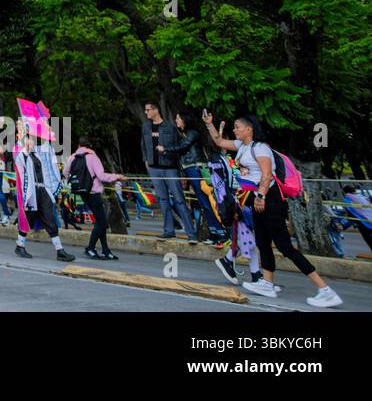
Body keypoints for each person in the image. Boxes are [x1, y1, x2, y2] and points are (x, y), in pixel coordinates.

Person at [202, 111, 342, 308]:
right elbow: (219, 142)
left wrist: (261, 196)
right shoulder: (243, 146)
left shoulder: (260, 148)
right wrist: (209, 124)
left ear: (249, 129)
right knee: (263, 241)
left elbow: (267, 175)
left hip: (269, 199)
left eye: (237, 127)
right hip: (257, 200)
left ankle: (325, 290)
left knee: (285, 246)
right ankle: (267, 283)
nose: (234, 130)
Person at [12, 128, 76, 262]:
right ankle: (20, 245)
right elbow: (19, 161)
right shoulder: (20, 152)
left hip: (43, 191)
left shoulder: (38, 153)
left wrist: (47, 129)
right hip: (31, 192)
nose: (32, 141)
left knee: (50, 218)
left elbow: (48, 149)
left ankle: (60, 250)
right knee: (28, 219)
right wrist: (24, 147)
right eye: (29, 139)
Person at [141, 101, 197, 242]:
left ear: (156, 110)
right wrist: (146, 161)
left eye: (148, 110)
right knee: (163, 200)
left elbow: (178, 149)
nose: (146, 113)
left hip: (170, 168)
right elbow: (143, 144)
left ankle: (191, 233)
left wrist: (181, 173)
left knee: (179, 200)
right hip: (154, 168)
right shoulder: (146, 126)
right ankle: (169, 231)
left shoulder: (170, 127)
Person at [172, 111, 228, 244]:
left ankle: (222, 233)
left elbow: (182, 147)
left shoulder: (192, 133)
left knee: (208, 202)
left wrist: (165, 148)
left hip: (196, 169)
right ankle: (214, 233)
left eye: (178, 118)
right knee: (204, 203)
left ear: (185, 120)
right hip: (190, 169)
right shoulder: (184, 134)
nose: (176, 120)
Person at [68, 137, 123, 260]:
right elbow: (101, 176)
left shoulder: (72, 157)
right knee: (102, 222)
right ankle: (90, 248)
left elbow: (66, 173)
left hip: (82, 192)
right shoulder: (93, 157)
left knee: (100, 221)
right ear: (89, 146)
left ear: (78, 145)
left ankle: (105, 250)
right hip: (93, 193)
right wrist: (117, 176)